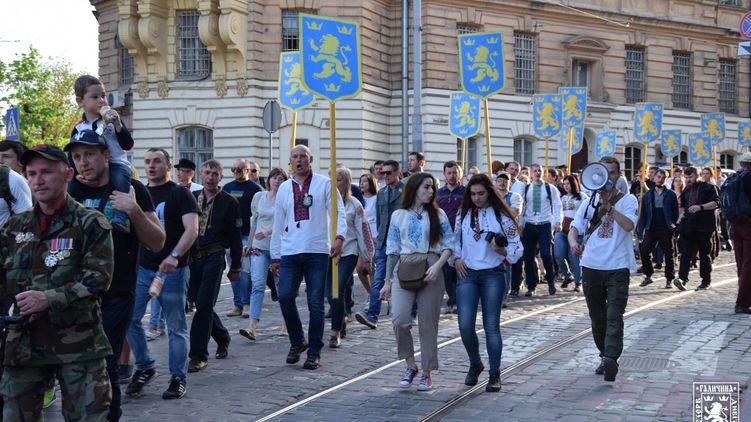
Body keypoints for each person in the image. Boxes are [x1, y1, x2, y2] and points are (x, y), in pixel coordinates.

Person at [0, 145, 114, 421]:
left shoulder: (90, 223)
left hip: (78, 343)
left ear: (68, 175)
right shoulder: (15, 228)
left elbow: (98, 279)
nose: (38, 180)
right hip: (23, 344)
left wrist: (48, 298)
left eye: (47, 173)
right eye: (32, 173)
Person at [67, 131, 164, 421]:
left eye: (90, 155)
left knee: (105, 363)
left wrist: (133, 210)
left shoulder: (131, 188)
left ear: (107, 155)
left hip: (116, 293)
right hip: (74, 295)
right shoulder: (70, 192)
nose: (83, 162)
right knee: (75, 367)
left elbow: (157, 241)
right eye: (77, 156)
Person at [125, 148, 199, 400]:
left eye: (157, 161)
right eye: (147, 162)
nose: (151, 166)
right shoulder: (138, 193)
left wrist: (175, 256)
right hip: (142, 269)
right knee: (129, 319)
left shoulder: (180, 193)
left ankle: (178, 377)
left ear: (168, 166)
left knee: (176, 326)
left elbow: (192, 229)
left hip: (173, 271)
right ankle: (145, 366)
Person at [270, 145, 346, 370]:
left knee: (315, 302)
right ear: (290, 162)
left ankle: (314, 351)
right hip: (290, 251)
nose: (299, 160)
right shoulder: (284, 188)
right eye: (295, 157)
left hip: (317, 250)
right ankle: (297, 340)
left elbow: (338, 212)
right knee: (284, 296)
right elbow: (278, 222)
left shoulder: (324, 183)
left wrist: (340, 237)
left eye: (303, 156)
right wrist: (275, 256)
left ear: (311, 160)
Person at [379, 173, 454, 391]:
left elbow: (449, 245)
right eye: (427, 187)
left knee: (427, 323)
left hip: (431, 265)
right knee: (399, 319)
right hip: (405, 267)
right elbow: (392, 250)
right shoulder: (398, 215)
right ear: (414, 189)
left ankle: (427, 372)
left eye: (433, 188)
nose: (431, 191)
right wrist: (387, 281)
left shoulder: (438, 214)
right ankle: (410, 365)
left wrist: (437, 265)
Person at [568, 156, 638, 383]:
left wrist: (609, 206)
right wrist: (573, 243)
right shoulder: (589, 201)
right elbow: (574, 228)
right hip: (591, 266)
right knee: (598, 318)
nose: (607, 178)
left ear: (618, 176)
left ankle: (611, 358)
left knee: (614, 315)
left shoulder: (628, 200)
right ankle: (604, 355)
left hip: (617, 266)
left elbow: (628, 225)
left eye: (612, 173)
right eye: (603, 173)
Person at [453, 174, 522, 392]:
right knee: (465, 325)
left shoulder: (501, 216)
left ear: (489, 192)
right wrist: (456, 259)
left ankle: (494, 373)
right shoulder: (462, 214)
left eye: (481, 193)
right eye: (472, 194)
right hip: (468, 274)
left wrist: (501, 250)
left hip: (493, 274)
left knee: (491, 325)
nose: (477, 198)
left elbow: (517, 248)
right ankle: (475, 362)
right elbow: (454, 241)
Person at [188, 160, 243, 372]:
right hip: (194, 258)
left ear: (221, 177)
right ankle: (222, 336)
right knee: (200, 302)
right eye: (207, 173)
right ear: (201, 175)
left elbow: (236, 237)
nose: (210, 177)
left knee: (203, 306)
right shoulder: (192, 198)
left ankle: (198, 355)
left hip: (215, 256)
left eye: (214, 174)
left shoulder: (229, 202)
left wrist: (236, 266)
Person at [73, 75, 135, 232]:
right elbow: (72, 153)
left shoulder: (112, 121)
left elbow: (128, 144)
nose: (101, 100)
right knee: (71, 187)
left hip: (116, 163)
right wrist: (75, 173)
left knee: (121, 181)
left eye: (103, 95)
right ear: (80, 101)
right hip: (91, 169)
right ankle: (71, 218)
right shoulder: (80, 128)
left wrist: (119, 125)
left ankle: (120, 217)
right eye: (95, 97)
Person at [327, 167, 375, 348]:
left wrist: (367, 256)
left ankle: (335, 331)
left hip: (348, 251)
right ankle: (341, 318)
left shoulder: (355, 205)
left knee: (337, 289)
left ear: (346, 182)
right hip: (328, 252)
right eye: (332, 179)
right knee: (329, 294)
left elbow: (363, 232)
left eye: (338, 180)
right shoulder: (326, 202)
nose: (334, 184)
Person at [240, 167, 288, 341]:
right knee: (258, 284)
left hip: (279, 249)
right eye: (275, 178)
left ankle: (286, 323)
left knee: (283, 287)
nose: (277, 181)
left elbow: (287, 224)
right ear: (269, 180)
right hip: (259, 247)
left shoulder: (285, 199)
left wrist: (268, 232)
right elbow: (254, 222)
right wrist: (249, 243)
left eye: (281, 179)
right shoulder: (259, 197)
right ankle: (252, 325)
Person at [356, 159, 403, 329]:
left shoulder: (406, 191)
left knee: (403, 278)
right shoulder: (381, 194)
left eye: (389, 173)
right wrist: (378, 242)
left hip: (402, 243)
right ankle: (372, 315)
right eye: (383, 173)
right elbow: (379, 220)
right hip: (384, 242)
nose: (385, 176)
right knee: (378, 279)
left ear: (398, 173)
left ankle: (409, 313)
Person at [222, 159, 263, 318]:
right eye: (234, 169)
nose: (236, 172)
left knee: (245, 272)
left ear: (248, 170)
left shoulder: (255, 189)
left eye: (240, 169)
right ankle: (237, 304)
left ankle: (247, 304)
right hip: (230, 236)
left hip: (247, 235)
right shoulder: (227, 188)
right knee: (233, 271)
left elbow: (259, 215)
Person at [520, 163, 562, 296]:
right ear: (531, 173)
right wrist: (521, 224)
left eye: (540, 171)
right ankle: (531, 286)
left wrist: (557, 222)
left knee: (546, 254)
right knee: (528, 256)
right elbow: (523, 208)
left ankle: (550, 281)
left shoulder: (550, 188)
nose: (537, 173)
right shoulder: (527, 188)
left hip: (545, 224)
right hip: (530, 224)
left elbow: (557, 205)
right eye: (535, 171)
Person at [674, 166, 719, 291]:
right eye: (686, 177)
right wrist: (679, 219)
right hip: (689, 226)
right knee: (685, 253)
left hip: (704, 226)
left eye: (691, 177)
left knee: (704, 255)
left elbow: (716, 203)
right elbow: (683, 207)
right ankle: (682, 278)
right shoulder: (686, 191)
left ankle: (706, 281)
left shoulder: (709, 188)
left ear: (697, 175)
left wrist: (701, 207)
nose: (688, 180)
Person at [638, 169, 679, 289]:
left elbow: (675, 212)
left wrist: (674, 228)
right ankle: (648, 275)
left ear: (665, 180)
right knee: (644, 250)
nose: (660, 179)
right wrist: (641, 231)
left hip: (666, 227)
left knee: (668, 254)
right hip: (652, 226)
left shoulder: (671, 194)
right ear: (654, 178)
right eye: (659, 177)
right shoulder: (648, 195)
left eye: (663, 178)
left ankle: (669, 279)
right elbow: (644, 215)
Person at [436, 161, 465, 313]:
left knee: (460, 270)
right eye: (449, 173)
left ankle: (460, 301)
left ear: (460, 173)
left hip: (462, 237)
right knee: (447, 271)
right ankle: (452, 301)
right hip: (444, 237)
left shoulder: (466, 192)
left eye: (455, 172)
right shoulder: (439, 193)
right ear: (445, 175)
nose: (452, 176)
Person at [555, 175, 588, 292]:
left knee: (573, 256)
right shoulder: (562, 197)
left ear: (574, 184)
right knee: (558, 254)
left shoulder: (582, 197)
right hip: (563, 228)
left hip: (577, 229)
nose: (566, 186)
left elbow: (586, 213)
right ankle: (567, 274)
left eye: (568, 183)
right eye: (564, 184)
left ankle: (578, 282)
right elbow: (558, 211)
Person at [732, 152, 751, 314]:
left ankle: (743, 296)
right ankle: (743, 302)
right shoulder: (749, 178)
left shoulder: (735, 178)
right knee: (748, 265)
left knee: (741, 264)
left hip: (734, 224)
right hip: (748, 224)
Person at [357, 173, 379, 293]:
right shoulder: (358, 200)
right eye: (360, 181)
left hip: (374, 237)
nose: (361, 183)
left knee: (371, 269)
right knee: (360, 268)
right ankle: (372, 293)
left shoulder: (377, 199)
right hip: (360, 238)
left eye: (365, 181)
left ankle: (373, 299)